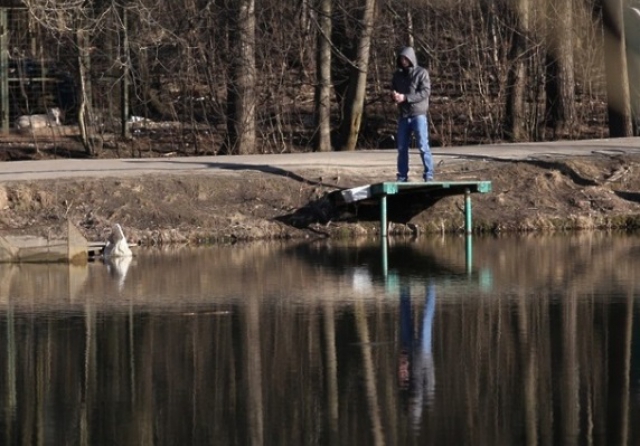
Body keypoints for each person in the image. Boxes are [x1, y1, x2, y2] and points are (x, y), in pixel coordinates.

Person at [391, 46, 433, 182]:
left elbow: (425, 92)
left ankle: (429, 173)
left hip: (418, 114)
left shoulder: (422, 73)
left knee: (422, 145)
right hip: (403, 115)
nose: (403, 61)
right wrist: (394, 96)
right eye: (401, 59)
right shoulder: (397, 75)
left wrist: (406, 97)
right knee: (402, 147)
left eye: (405, 58)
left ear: (411, 58)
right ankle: (402, 175)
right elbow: (393, 89)